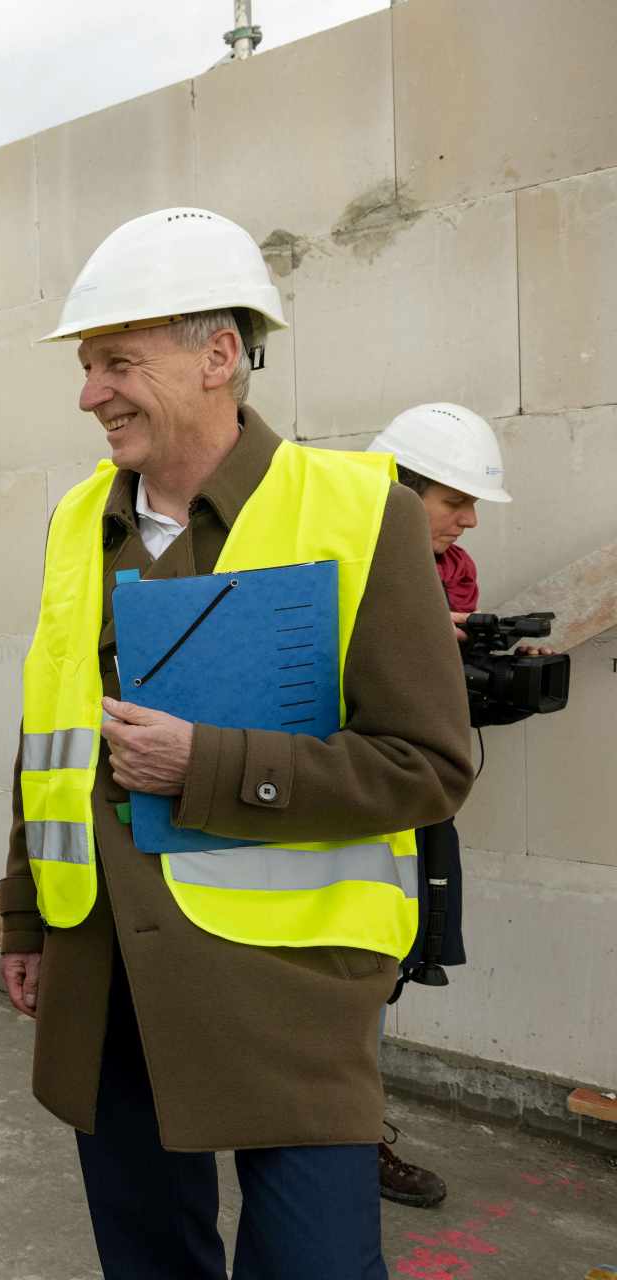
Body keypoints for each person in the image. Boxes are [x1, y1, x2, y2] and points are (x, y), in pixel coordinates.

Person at [0, 208, 473, 1280]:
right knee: (149, 1258)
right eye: (85, 366)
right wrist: (27, 910)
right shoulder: (80, 520)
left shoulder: (360, 510)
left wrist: (206, 766)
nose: (90, 392)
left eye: (118, 361)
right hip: (104, 962)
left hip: (292, 982)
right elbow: (49, 733)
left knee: (317, 1264)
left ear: (220, 356)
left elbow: (430, 764)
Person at [364, 401, 527, 1208]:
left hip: (414, 813)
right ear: (397, 491)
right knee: (356, 977)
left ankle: (352, 1136)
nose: (467, 522)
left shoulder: (446, 579)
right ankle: (346, 1142)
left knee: (388, 971)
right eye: (453, 501)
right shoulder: (344, 570)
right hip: (349, 817)